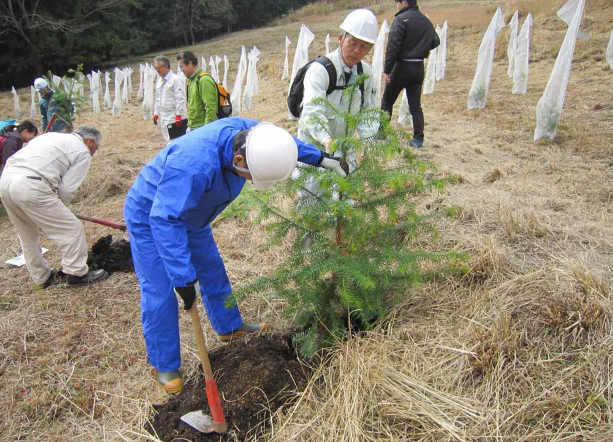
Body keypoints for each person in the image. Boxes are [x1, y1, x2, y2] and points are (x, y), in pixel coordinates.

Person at [124, 117, 347, 394]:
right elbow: (164, 218)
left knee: (212, 269)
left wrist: (321, 159)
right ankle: (165, 363)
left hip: (194, 214)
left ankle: (229, 327)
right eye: (252, 176)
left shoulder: (252, 134)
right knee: (160, 289)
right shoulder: (193, 165)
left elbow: (282, 145)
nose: (252, 181)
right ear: (239, 160)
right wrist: (183, 277)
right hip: (153, 215)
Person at [0, 126, 109, 289]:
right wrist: (60, 207)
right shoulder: (82, 151)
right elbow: (66, 189)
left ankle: (42, 277)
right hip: (31, 184)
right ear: (90, 141)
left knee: (27, 234)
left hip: (6, 181)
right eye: (96, 148)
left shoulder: (50, 137)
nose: (95, 152)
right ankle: (77, 273)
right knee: (71, 228)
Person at [296, 9, 378, 202]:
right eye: (353, 43)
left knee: (343, 200)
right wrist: (325, 139)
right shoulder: (321, 70)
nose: (357, 50)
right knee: (311, 199)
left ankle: (338, 232)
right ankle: (310, 232)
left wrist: (369, 144)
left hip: (345, 147)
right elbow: (312, 110)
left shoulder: (366, 74)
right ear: (341, 38)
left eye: (364, 46)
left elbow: (369, 113)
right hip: (314, 146)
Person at [381, 0, 440, 148]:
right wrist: (420, 47)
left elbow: (393, 47)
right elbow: (435, 41)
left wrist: (387, 70)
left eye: (397, 2)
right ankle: (418, 138)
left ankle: (381, 132)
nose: (396, 5)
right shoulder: (425, 20)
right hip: (418, 67)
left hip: (401, 67)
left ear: (404, 2)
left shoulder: (401, 20)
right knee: (415, 106)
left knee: (387, 101)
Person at [176, 51, 218, 132]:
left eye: (182, 67)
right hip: (194, 127)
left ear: (190, 63)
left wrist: (207, 129)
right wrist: (190, 126)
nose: (181, 70)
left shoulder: (204, 80)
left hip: (202, 128)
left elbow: (210, 107)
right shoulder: (191, 81)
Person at [153, 56, 186, 142]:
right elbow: (157, 98)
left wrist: (179, 115)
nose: (157, 70)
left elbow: (180, 99)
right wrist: (156, 113)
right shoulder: (160, 81)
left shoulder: (175, 80)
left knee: (176, 140)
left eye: (158, 67)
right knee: (168, 139)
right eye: (155, 68)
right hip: (164, 115)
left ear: (166, 67)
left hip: (173, 115)